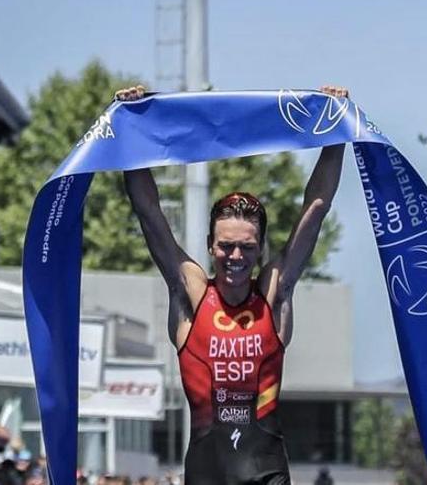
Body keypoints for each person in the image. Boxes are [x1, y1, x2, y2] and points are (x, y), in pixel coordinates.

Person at [115, 84, 349, 485]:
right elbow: (148, 211)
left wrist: (336, 131)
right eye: (226, 246)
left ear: (260, 250)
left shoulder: (274, 293)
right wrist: (130, 126)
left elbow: (317, 206)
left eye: (246, 247)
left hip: (267, 474)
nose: (236, 257)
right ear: (210, 246)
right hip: (207, 474)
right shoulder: (190, 292)